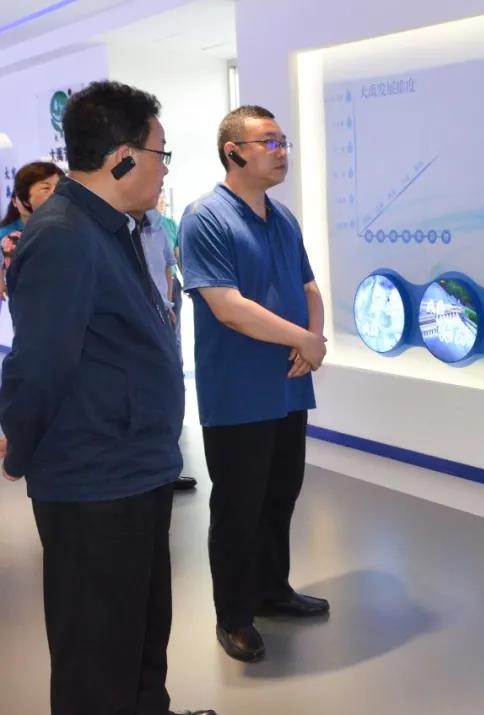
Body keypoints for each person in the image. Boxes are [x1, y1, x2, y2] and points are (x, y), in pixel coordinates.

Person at [0, 80, 215, 715]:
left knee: (141, 632)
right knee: (97, 654)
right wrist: (18, 449)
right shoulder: (63, 236)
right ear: (122, 159)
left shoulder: (116, 228)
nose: (164, 168)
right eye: (160, 153)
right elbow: (39, 365)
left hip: (136, 468)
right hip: (93, 481)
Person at [180, 105, 328, 663]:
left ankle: (271, 590)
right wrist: (304, 339)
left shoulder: (282, 217)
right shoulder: (206, 217)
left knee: (280, 493)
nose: (281, 151)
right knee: (239, 505)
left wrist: (312, 339)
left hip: (288, 383)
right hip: (239, 390)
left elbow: (309, 287)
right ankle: (235, 615)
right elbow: (228, 307)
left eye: (283, 141)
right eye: (268, 142)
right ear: (233, 152)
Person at [135, 206, 197, 491]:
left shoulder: (159, 225)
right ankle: (146, 472)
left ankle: (167, 468)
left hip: (163, 310)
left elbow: (166, 267)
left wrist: (168, 303)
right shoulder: (111, 226)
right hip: (137, 317)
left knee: (170, 382)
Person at [0, 161, 65, 298]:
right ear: (22, 199)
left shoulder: (75, 225)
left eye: (60, 186)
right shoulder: (11, 238)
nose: (55, 193)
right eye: (46, 188)